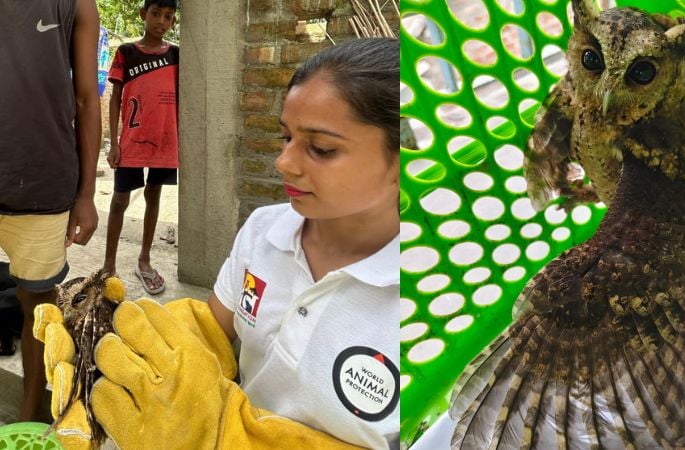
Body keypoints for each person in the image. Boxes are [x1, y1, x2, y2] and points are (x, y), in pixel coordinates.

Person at [36, 37, 399, 449]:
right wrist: (127, 346)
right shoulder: (267, 230)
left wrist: (217, 433)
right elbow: (215, 328)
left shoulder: (438, 306)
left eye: (320, 148)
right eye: (285, 138)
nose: (284, 162)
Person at [0, 0, 100, 422]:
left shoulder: (77, 4)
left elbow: (85, 98)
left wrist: (86, 193)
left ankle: (29, 414)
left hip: (41, 182)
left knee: (37, 305)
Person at [103, 0, 179, 295]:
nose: (162, 21)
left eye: (168, 16)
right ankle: (108, 264)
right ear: (143, 14)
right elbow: (115, 98)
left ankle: (144, 260)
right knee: (120, 200)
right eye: (156, 14)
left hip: (164, 142)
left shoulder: (175, 55)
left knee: (153, 196)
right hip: (131, 143)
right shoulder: (126, 53)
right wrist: (113, 142)